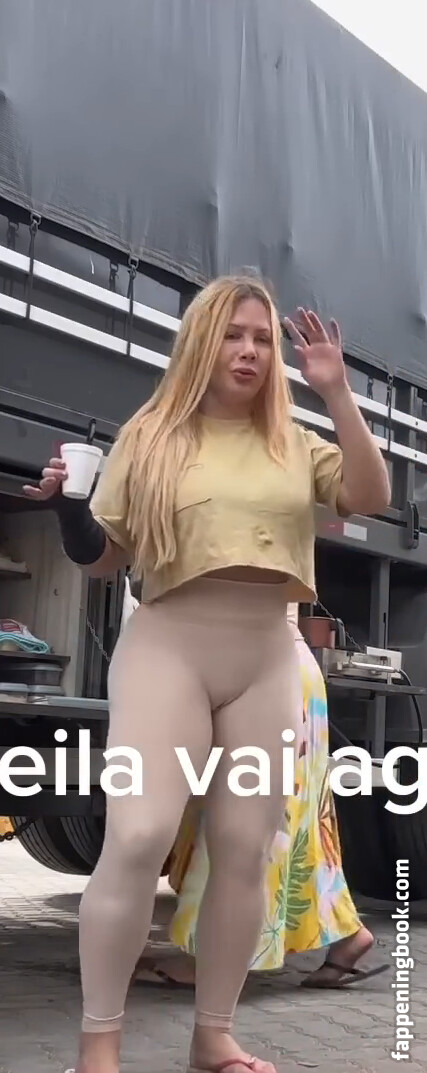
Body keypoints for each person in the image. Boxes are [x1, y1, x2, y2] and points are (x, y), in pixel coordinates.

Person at [24, 277, 390, 1073]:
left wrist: (336, 393)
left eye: (260, 337)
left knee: (244, 848)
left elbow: (369, 493)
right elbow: (102, 558)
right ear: (200, 342)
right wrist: (68, 509)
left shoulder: (293, 441)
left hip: (265, 656)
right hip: (169, 649)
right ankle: (97, 1048)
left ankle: (213, 1036)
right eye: (232, 334)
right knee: (137, 834)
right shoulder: (151, 435)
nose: (248, 350)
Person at [134, 603, 388, 990]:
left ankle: (213, 956)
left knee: (238, 814)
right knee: (291, 821)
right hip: (278, 664)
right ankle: (346, 934)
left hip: (258, 669)